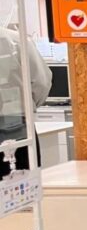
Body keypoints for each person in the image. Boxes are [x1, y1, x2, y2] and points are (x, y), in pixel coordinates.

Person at [0, 25, 51, 176]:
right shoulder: (17, 40)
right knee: (23, 181)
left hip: (16, 122)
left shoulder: (17, 40)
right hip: (16, 121)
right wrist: (28, 106)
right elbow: (41, 82)